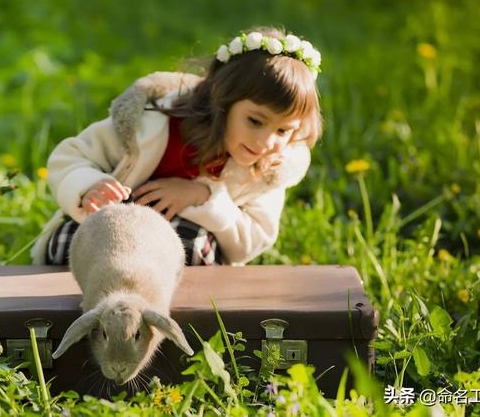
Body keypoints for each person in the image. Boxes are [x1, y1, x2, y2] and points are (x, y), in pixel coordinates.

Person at [30, 26, 323, 267]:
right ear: (223, 100)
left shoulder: (271, 167)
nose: (267, 142)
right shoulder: (151, 123)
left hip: (179, 259)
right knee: (66, 243)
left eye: (284, 130)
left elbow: (250, 241)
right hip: (113, 226)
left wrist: (203, 196)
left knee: (193, 248)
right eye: (255, 121)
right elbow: (70, 156)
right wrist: (90, 186)